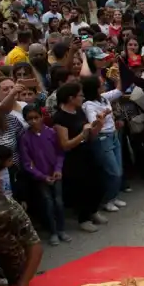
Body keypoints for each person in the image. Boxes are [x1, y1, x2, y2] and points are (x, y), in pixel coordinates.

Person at [52, 83, 106, 233]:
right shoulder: (59, 118)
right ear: (71, 98)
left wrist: (98, 125)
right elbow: (65, 144)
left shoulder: (79, 111)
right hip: (74, 158)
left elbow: (90, 134)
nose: (82, 97)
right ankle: (84, 219)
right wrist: (82, 134)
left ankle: (93, 211)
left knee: (98, 183)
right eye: (80, 95)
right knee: (83, 188)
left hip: (88, 151)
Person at [18, 103, 67, 246]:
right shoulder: (25, 138)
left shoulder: (51, 133)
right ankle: (53, 232)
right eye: (29, 119)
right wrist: (42, 176)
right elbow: (27, 162)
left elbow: (60, 153)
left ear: (41, 117)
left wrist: (58, 169)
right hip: (41, 178)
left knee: (58, 202)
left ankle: (61, 229)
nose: (33, 121)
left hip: (56, 174)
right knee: (48, 203)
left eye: (36, 117)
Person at [80, 75, 125, 213]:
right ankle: (107, 200)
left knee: (119, 168)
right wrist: (104, 114)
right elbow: (94, 123)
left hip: (114, 135)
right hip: (102, 138)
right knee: (113, 172)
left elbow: (118, 91)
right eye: (101, 84)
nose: (104, 84)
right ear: (94, 88)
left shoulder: (104, 97)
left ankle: (114, 196)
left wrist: (119, 76)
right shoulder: (88, 105)